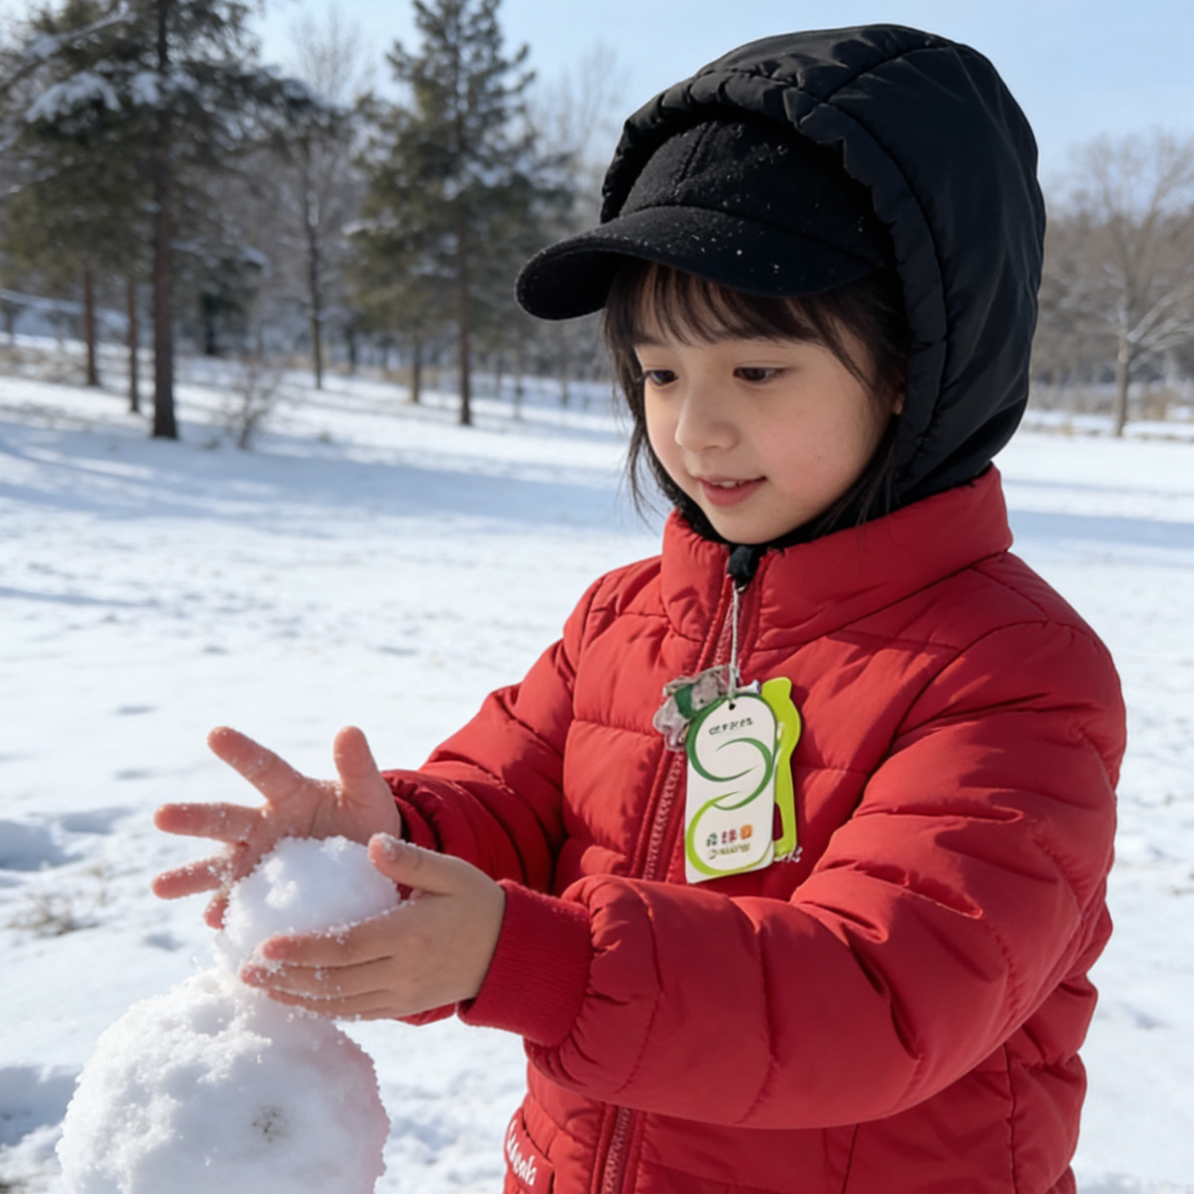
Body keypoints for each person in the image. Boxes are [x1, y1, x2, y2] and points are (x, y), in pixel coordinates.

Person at [152, 25, 1125, 1194]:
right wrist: (382, 846)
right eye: (661, 373)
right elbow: (505, 805)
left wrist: (537, 962)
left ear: (920, 370)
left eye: (756, 372)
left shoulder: (1011, 672)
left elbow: (883, 994)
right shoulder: (628, 621)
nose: (693, 430)